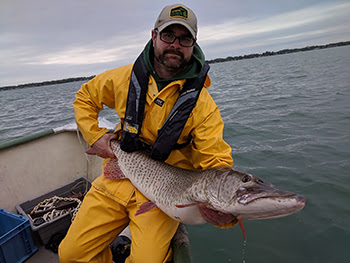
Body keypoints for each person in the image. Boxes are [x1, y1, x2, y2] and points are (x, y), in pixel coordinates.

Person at [59, 3, 237, 263]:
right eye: (168, 35)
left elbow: (216, 163)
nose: (175, 44)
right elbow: (85, 97)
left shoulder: (203, 106)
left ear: (194, 44)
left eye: (185, 38)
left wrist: (226, 214)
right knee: (71, 255)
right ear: (154, 36)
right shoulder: (122, 78)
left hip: (164, 194)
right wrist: (95, 136)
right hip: (116, 177)